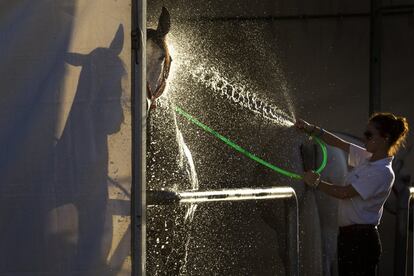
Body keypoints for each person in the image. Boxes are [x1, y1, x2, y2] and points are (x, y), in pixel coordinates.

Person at [295, 112, 409, 276]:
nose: (364, 138)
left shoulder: (382, 172)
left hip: (361, 241)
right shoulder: (368, 159)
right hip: (350, 238)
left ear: (385, 138)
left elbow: (344, 193)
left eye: (369, 135)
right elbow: (340, 144)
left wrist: (316, 183)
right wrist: (311, 129)